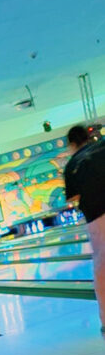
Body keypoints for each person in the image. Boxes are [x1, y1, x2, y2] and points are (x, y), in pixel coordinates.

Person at [64, 124, 105, 332]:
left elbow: (73, 198)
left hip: (97, 217)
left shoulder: (72, 164)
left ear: (72, 144)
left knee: (102, 268)